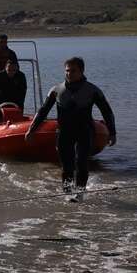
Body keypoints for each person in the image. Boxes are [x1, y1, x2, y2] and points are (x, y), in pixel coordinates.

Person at [25, 56, 117, 201]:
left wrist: (112, 133)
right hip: (64, 132)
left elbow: (107, 112)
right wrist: (31, 130)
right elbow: (43, 111)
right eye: (67, 71)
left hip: (85, 131)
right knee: (67, 166)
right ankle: (67, 194)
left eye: (73, 71)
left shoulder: (92, 90)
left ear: (81, 71)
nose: (69, 74)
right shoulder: (56, 90)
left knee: (81, 163)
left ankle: (79, 194)